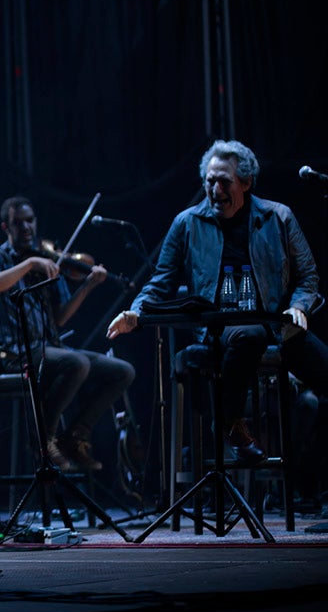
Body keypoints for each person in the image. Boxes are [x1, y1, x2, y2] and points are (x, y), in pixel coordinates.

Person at [108, 139, 328, 462]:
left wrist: (298, 306)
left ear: (246, 182)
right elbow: (161, 282)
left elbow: (308, 275)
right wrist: (136, 312)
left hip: (277, 325)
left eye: (224, 181)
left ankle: (306, 473)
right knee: (248, 334)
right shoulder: (187, 223)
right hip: (221, 327)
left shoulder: (278, 217)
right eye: (210, 181)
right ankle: (231, 424)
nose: (215, 189)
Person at [0, 196, 135, 471]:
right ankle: (43, 439)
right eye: (19, 223)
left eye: (30, 221)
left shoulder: (48, 262)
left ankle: (74, 436)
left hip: (51, 349)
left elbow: (61, 317)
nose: (26, 227)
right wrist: (30, 265)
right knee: (77, 363)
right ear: (7, 227)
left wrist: (87, 285)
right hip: (18, 351)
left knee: (123, 371)